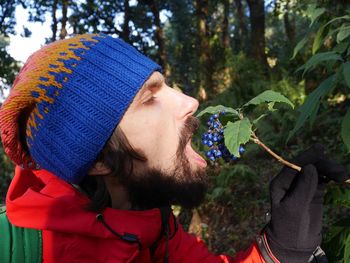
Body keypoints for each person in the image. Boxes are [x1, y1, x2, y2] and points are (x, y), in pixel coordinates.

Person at [0, 33, 348, 263]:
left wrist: (280, 248)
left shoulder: (151, 222)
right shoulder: (17, 250)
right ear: (101, 158)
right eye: (150, 98)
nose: (191, 101)